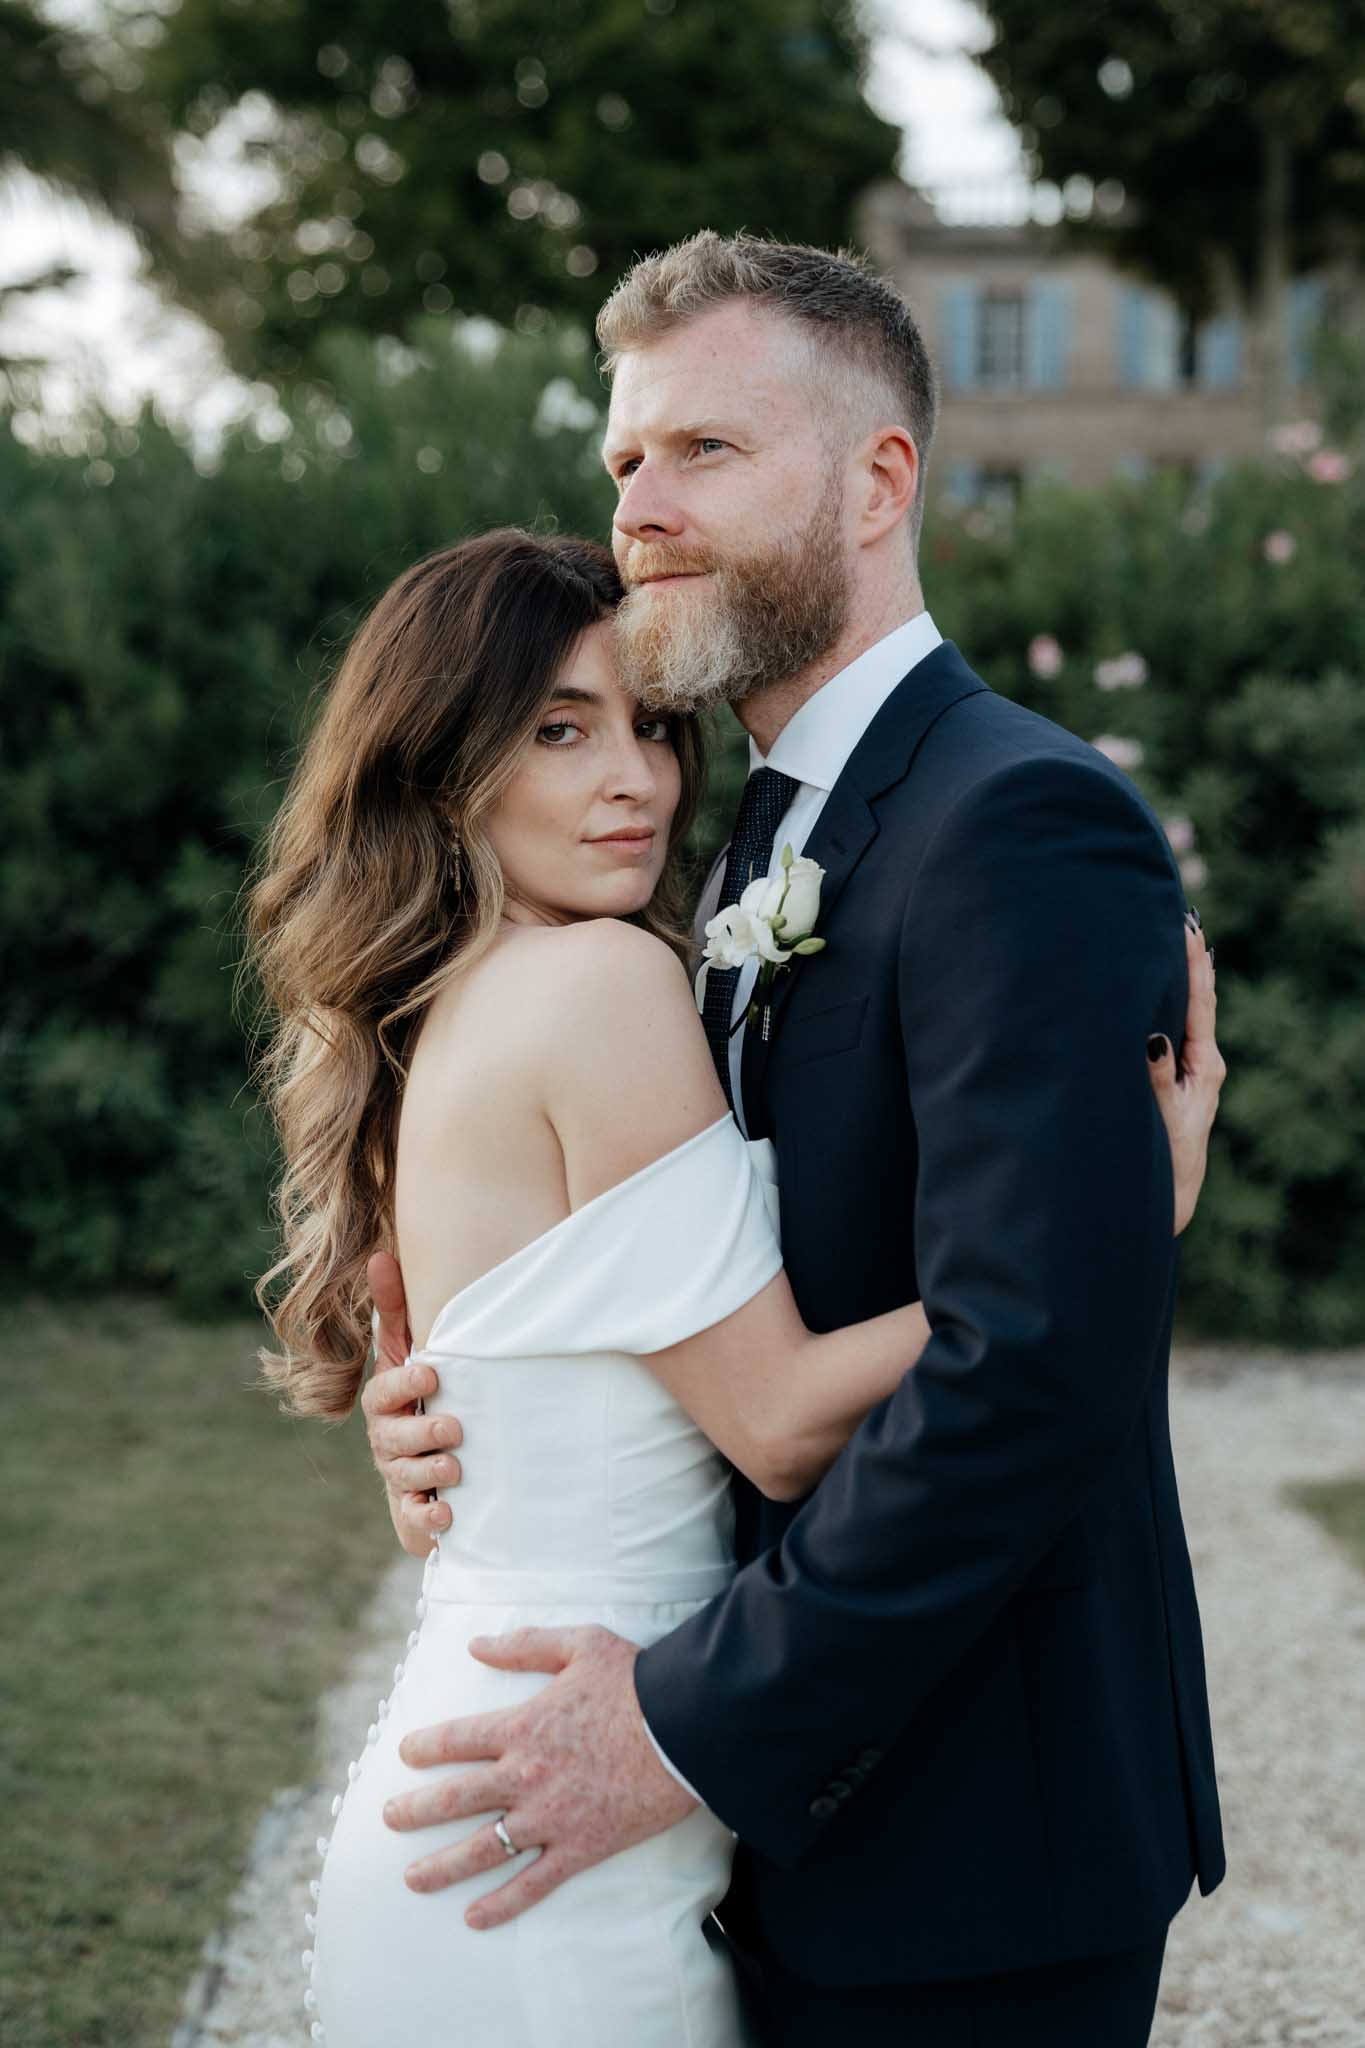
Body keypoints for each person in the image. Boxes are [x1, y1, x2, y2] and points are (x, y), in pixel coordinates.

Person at [362, 234, 1228, 2048]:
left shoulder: (1017, 820)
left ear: (878, 479)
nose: (640, 508)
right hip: (790, 1837)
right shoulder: (744, 846)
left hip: (968, 1837)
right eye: (623, 463)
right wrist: (488, 1405)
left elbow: (1026, 1371)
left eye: (704, 452)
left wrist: (683, 1725)